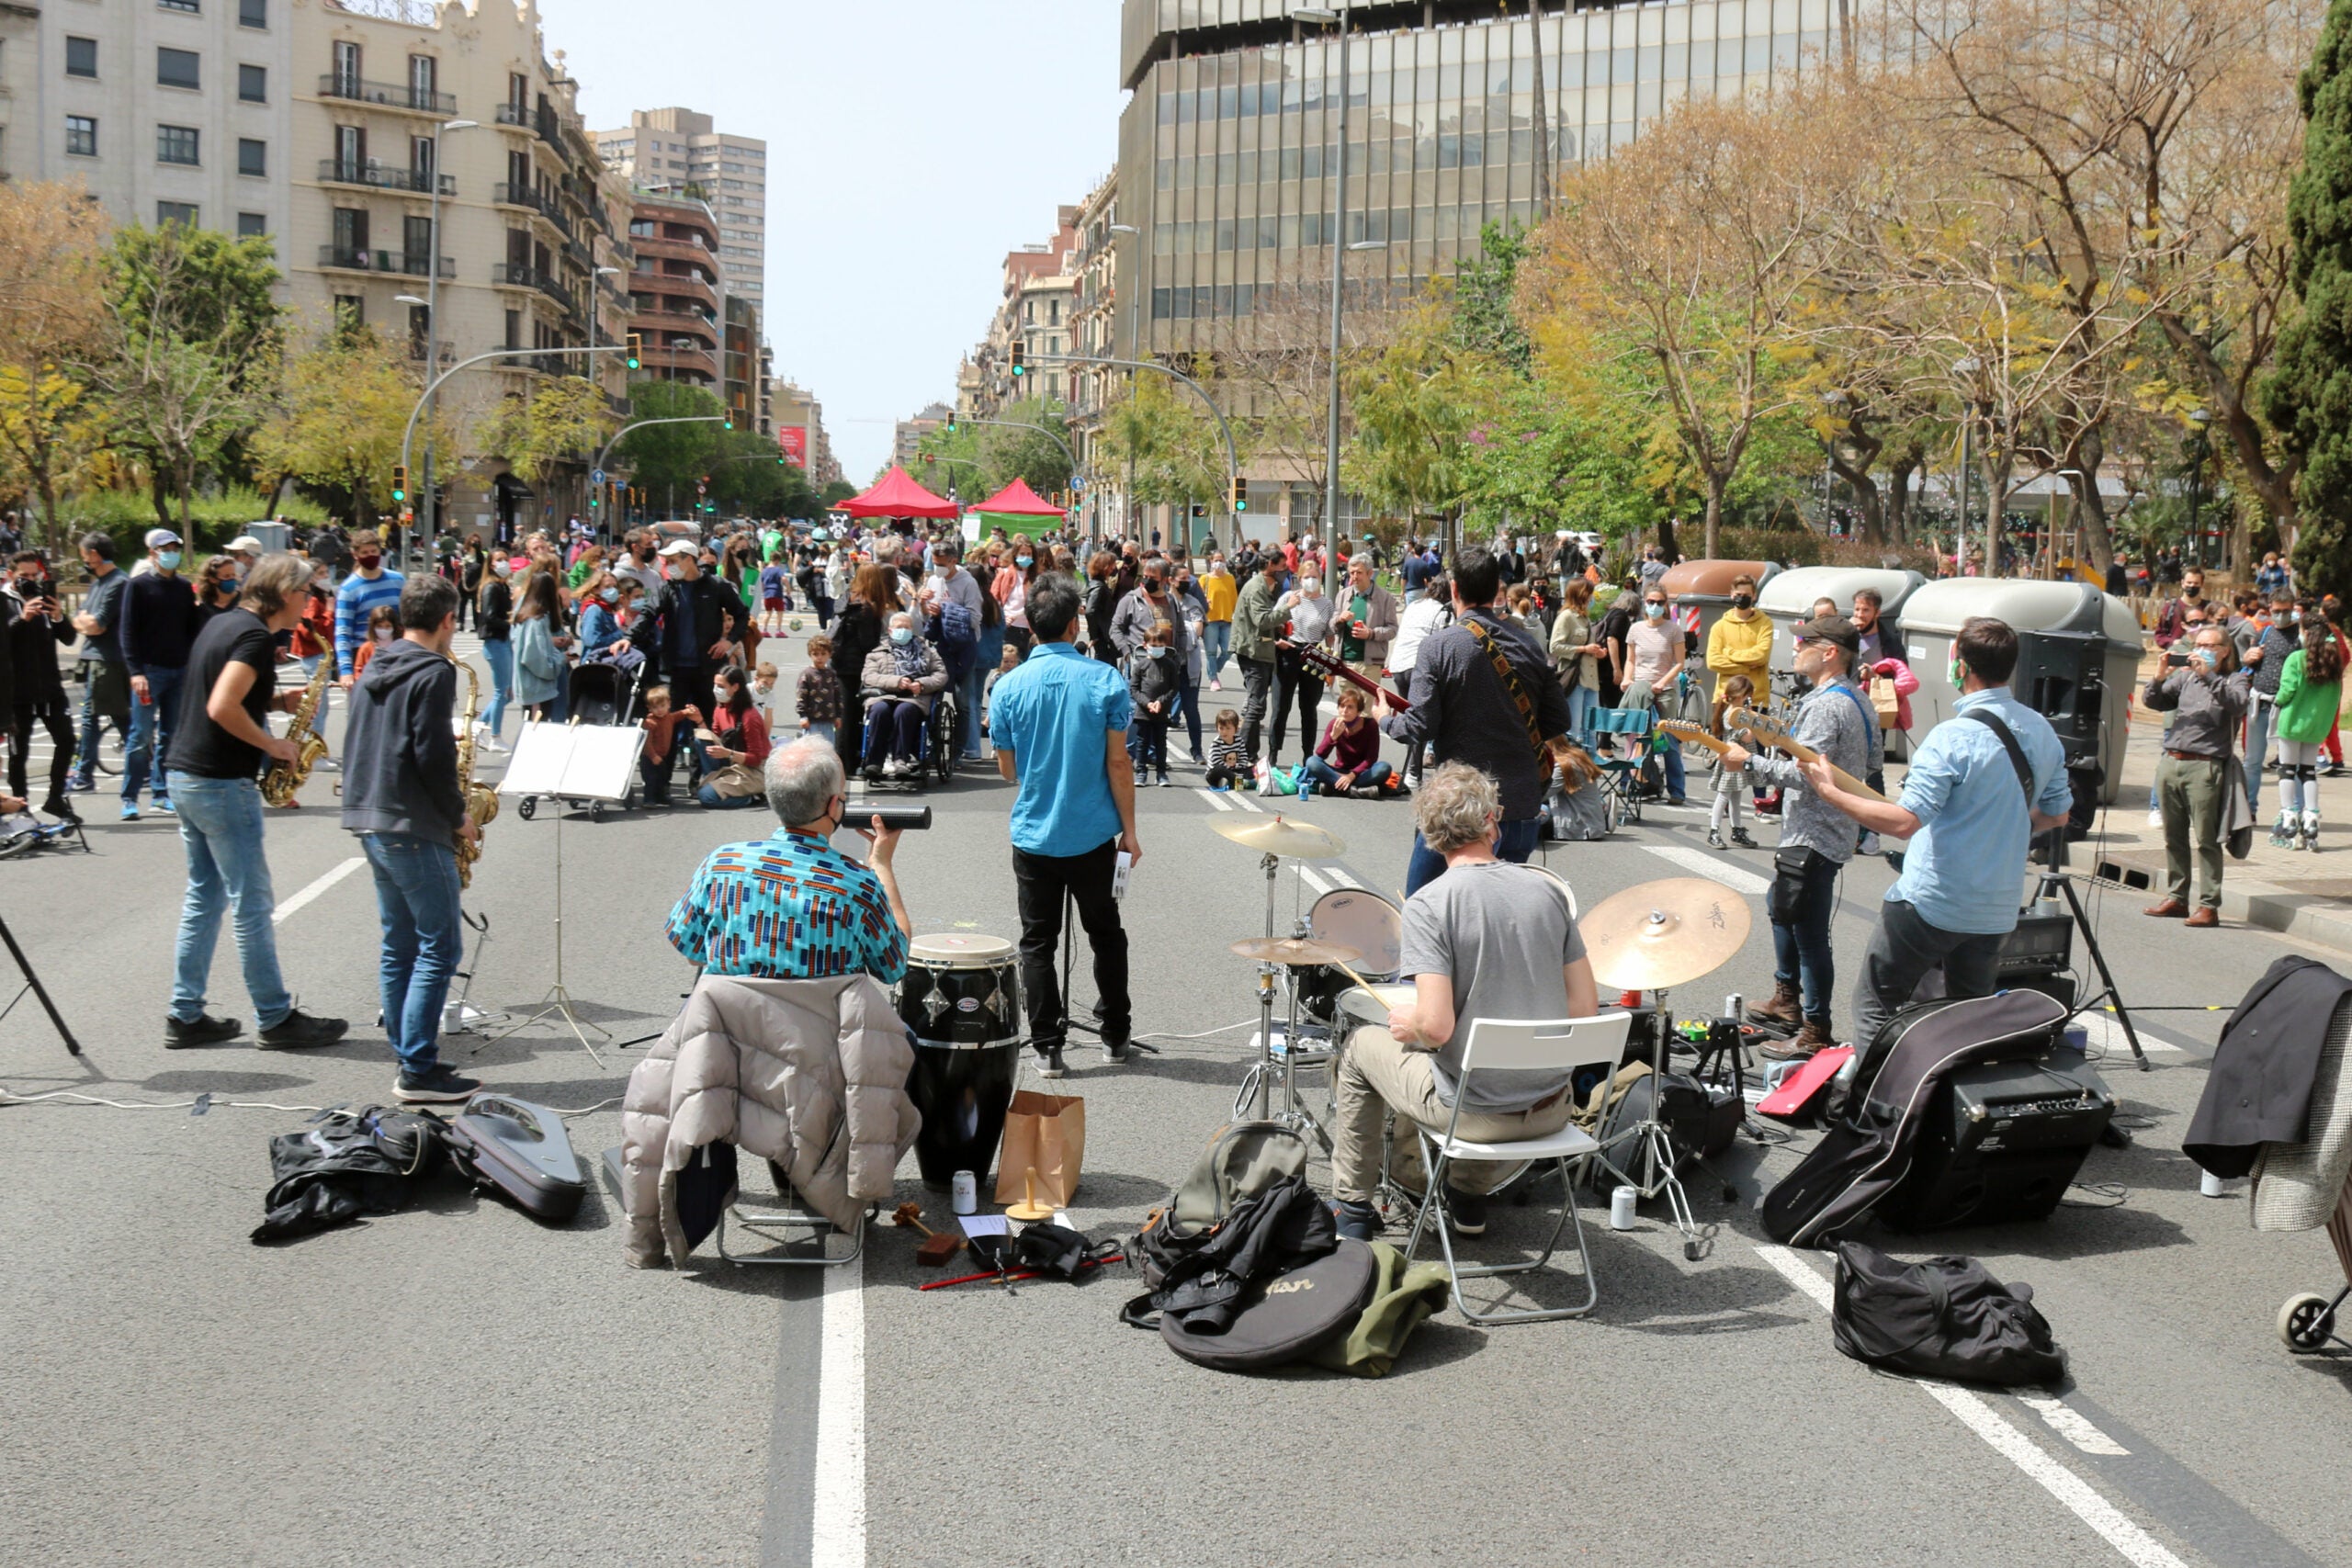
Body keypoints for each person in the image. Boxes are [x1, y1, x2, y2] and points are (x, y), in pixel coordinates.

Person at [1327, 762, 1601, 1243]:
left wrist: (1408, 1025)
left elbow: (1434, 1028)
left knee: (1359, 1048)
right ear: (1493, 820)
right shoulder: (1546, 890)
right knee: (1483, 1058)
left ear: (1431, 837)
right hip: (1553, 1106)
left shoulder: (1431, 904)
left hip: (1475, 1119)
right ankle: (1468, 1202)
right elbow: (1583, 1008)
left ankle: (1352, 1206)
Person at [1805, 618, 2075, 1055]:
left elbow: (1903, 822)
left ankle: (1875, 1107)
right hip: (1996, 909)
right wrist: (2006, 825)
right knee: (1968, 1019)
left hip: (1931, 902)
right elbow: (2059, 814)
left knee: (1878, 1005)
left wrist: (1829, 792)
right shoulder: (2042, 729)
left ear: (1960, 667)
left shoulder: (1952, 737)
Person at [163, 554, 348, 1052]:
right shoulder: (253, 638)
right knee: (252, 903)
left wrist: (278, 703)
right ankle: (275, 1016)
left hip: (184, 775)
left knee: (204, 896)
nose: (311, 602)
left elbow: (222, 693)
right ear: (285, 593)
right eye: (307, 593)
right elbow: (221, 705)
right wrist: (274, 745)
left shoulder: (224, 624)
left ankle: (185, 1015)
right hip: (221, 783)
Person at [339, 574, 482, 1101]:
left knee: (399, 944)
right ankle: (419, 1069)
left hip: (369, 815)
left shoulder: (377, 660)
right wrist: (456, 815)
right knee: (440, 946)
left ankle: (407, 1054)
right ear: (448, 620)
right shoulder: (434, 671)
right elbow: (432, 754)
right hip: (411, 822)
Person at [989, 572, 1140, 1077]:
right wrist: (1131, 832)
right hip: (1093, 831)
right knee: (1106, 933)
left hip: (1034, 831)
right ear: (1075, 622)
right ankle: (1115, 1034)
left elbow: (1007, 769)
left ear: (1031, 627)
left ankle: (1047, 1044)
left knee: (1037, 942)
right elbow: (1119, 764)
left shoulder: (1008, 686)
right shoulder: (1104, 679)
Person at [1374, 547, 1574, 895]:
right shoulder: (1529, 645)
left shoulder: (1439, 647)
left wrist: (1385, 721)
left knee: (1424, 906)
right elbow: (1558, 720)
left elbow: (1420, 725)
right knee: (1505, 917)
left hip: (1458, 807)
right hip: (1519, 803)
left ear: (1454, 590)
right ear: (1497, 588)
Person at [1721, 615, 1877, 1058]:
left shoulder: (1827, 704)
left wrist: (1748, 762)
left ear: (1829, 652)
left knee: (1808, 932)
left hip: (1814, 832)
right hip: (1826, 829)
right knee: (1782, 909)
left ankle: (1814, 1029)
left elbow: (1806, 774)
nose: (1795, 649)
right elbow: (1868, 761)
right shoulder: (1854, 698)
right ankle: (1786, 999)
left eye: (1804, 642)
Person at [666, 738, 912, 980]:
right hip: (823, 1019)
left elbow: (694, 954)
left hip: (732, 1019)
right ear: (833, 805)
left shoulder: (720, 865)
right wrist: (881, 865)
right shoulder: (859, 886)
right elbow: (894, 966)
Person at [2143, 619, 2251, 925]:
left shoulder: (2235, 679)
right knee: (2173, 835)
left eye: (2209, 646)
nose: (2201, 651)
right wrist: (2159, 677)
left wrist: (2210, 676)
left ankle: (2208, 905)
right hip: (2172, 760)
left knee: (2206, 839)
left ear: (2225, 651)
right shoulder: (2186, 677)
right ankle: (2177, 897)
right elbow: (2155, 701)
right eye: (2198, 645)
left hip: (2206, 766)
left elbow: (2238, 705)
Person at [117, 528, 199, 821]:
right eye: (165, 548)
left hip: (180, 671)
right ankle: (129, 797)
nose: (170, 553)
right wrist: (135, 671)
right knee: (140, 736)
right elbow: (127, 631)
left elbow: (192, 630)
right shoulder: (137, 586)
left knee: (171, 735)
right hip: (149, 672)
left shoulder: (183, 588)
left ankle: (161, 793)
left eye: (175, 547)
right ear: (152, 553)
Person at [6, 552, 77, 818]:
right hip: (17, 694)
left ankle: (55, 798)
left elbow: (69, 638)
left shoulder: (43, 600)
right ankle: (22, 809)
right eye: (24, 576)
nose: (30, 581)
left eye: (34, 575)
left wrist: (58, 616)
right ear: (10, 575)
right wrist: (21, 618)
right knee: (19, 755)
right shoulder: (4, 601)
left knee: (67, 741)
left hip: (50, 690)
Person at [2269, 608, 2345, 852]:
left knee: (2287, 770)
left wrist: (2276, 701)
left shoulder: (2297, 659)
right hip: (2317, 725)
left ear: (2305, 633)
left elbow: (2287, 690)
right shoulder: (2334, 662)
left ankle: (2289, 814)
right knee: (2309, 771)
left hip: (2292, 723)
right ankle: (2311, 816)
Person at [649, 537, 741, 728]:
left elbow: (742, 615)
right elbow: (648, 613)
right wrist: (628, 638)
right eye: (667, 562)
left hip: (707, 667)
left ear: (689, 559)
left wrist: (729, 641)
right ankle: (670, 757)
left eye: (673, 561)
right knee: (669, 722)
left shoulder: (716, 586)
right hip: (676, 668)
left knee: (708, 721)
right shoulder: (668, 587)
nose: (669, 566)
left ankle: (709, 756)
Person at [67, 531, 130, 795]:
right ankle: (147, 767)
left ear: (94, 554)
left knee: (92, 718)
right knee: (121, 717)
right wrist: (83, 621)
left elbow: (96, 624)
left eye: (83, 555)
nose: (83, 561)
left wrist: (83, 621)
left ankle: (84, 775)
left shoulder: (118, 582)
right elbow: (78, 619)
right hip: (96, 658)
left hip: (109, 660)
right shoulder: (97, 584)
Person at [857, 610, 947, 780]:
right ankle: (874, 762)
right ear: (890, 630)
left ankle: (901, 759)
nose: (903, 630)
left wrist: (921, 684)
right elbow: (868, 677)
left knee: (903, 711)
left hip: (914, 697)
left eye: (907, 627)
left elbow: (941, 675)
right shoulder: (877, 653)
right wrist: (896, 681)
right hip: (883, 695)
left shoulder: (928, 651)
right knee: (879, 711)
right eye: (899, 627)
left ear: (912, 629)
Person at [1623, 583, 1690, 807]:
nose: (1654, 606)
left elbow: (1679, 662)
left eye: (1659, 603)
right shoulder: (1636, 629)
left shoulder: (1673, 630)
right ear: (1645, 603)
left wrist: (1662, 682)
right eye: (1651, 602)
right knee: (1634, 737)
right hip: (1641, 688)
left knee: (1668, 740)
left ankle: (1677, 790)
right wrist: (1627, 679)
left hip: (1666, 690)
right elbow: (1631, 660)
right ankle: (1629, 782)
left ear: (1666, 605)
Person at [1230, 553, 1290, 766]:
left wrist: (1277, 634)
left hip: (1262, 650)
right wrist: (1288, 607)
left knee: (1258, 705)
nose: (1286, 570)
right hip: (1252, 652)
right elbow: (1262, 620)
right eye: (1283, 566)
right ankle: (1243, 756)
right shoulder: (1256, 587)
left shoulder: (1269, 586)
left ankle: (1251, 754)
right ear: (1271, 566)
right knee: (1255, 706)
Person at [2244, 592, 2298, 814]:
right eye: (2276, 611)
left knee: (2289, 764)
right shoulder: (2264, 632)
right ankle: (2248, 809)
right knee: (2252, 761)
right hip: (2260, 705)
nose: (2281, 615)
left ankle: (2291, 811)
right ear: (2269, 610)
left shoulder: (2300, 637)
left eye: (2286, 611)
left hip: (2288, 707)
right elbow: (2249, 664)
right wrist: (2249, 657)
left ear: (2293, 609)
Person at [692, 664, 774, 807]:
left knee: (706, 797)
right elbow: (714, 738)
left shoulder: (749, 716)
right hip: (732, 762)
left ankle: (751, 797)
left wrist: (728, 754)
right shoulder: (720, 708)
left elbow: (755, 759)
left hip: (752, 770)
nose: (716, 690)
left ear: (735, 687)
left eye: (721, 686)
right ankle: (716, 783)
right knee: (701, 738)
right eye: (715, 685)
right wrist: (699, 720)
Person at [332, 529, 403, 691]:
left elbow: (407, 619)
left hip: (396, 654)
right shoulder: (348, 589)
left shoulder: (397, 581)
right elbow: (343, 632)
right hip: (363, 656)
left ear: (380, 551)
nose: (370, 556)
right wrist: (346, 671)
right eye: (364, 552)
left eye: (373, 551)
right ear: (355, 555)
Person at [1705, 574, 1771, 732]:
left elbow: (1761, 655)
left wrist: (1729, 652)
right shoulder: (1719, 627)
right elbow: (1713, 661)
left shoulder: (1765, 624)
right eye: (1738, 595)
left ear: (1754, 596)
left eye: (1746, 595)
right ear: (1731, 594)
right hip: (1725, 698)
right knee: (1725, 750)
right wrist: (1746, 669)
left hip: (1756, 700)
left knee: (1755, 752)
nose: (1742, 598)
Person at [1303, 686, 1396, 797]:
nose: (1345, 711)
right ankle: (1354, 790)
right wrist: (1333, 737)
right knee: (1312, 762)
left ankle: (1335, 788)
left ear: (1359, 711)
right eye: (1342, 706)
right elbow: (1320, 754)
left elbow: (1371, 758)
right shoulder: (1334, 724)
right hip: (1338, 771)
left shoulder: (1370, 725)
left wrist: (1352, 775)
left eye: (1350, 707)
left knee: (1384, 768)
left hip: (1361, 773)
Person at [1707, 672, 1759, 851]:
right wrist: (1752, 718)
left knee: (1736, 796)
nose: (1749, 698)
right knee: (1724, 796)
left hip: (1739, 760)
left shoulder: (1739, 713)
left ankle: (1737, 830)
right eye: (1748, 695)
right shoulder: (1732, 715)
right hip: (1731, 760)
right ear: (1741, 695)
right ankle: (1714, 830)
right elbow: (1747, 736)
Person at [1127, 620, 1182, 787]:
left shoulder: (1170, 665)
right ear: (1146, 645)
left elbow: (1174, 688)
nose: (1157, 647)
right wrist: (1148, 703)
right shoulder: (1141, 665)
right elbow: (1134, 689)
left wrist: (1160, 702)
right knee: (1142, 743)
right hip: (1143, 712)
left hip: (1162, 711)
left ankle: (1161, 773)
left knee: (1160, 743)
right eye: (1153, 644)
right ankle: (1141, 772)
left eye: (1160, 644)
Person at [1547, 578, 1603, 739]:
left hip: (1591, 678)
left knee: (1591, 729)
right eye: (1589, 594)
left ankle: (1590, 761)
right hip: (1574, 679)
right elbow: (1555, 647)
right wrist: (1583, 649)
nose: (1592, 598)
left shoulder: (1585, 618)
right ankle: (1571, 763)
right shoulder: (1566, 617)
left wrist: (1597, 652)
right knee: (1574, 729)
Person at [1334, 553, 1399, 687]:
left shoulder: (1385, 598)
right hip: (1345, 662)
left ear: (1370, 573)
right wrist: (1339, 619)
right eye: (1352, 573)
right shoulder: (1343, 595)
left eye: (1359, 573)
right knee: (1346, 707)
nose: (1355, 577)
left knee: (1365, 708)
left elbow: (1392, 630)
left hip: (1370, 665)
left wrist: (1371, 633)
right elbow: (1332, 625)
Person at [511, 570, 566, 723]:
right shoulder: (536, 621)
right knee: (535, 729)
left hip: (530, 687)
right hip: (536, 688)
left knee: (531, 727)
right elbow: (534, 658)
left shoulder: (526, 615)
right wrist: (560, 660)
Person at [797, 633, 842, 749]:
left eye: (823, 654)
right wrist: (803, 716)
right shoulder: (807, 674)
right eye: (815, 654)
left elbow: (837, 695)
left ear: (829, 655)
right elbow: (801, 696)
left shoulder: (831, 674)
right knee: (811, 749)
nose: (819, 657)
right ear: (810, 655)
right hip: (812, 721)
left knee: (828, 748)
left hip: (828, 720)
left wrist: (838, 716)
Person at [1200, 553, 1238, 688]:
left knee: (1229, 650)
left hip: (1227, 619)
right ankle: (1214, 679)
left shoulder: (1230, 578)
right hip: (1210, 619)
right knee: (1211, 651)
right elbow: (1197, 599)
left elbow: (1234, 598)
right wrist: (1204, 602)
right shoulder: (1205, 579)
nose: (1219, 563)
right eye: (1216, 560)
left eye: (1221, 560)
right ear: (1211, 562)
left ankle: (1214, 668)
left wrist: (1237, 615)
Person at [1204, 706, 1249, 791]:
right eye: (1221, 728)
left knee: (1252, 768)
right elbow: (1216, 762)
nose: (1224, 731)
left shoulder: (1239, 741)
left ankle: (1229, 781)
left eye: (1228, 728)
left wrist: (1237, 766)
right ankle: (1239, 781)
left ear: (1236, 729)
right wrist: (1229, 768)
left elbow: (1244, 757)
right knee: (1219, 769)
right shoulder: (1216, 743)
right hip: (1216, 774)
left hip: (1235, 769)